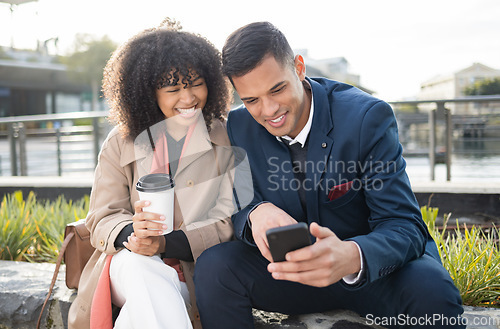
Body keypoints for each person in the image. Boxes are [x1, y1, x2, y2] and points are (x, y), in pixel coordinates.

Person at [194, 21, 465, 329]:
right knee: (215, 268)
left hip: (370, 274)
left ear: (298, 67)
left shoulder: (367, 118)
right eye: (251, 100)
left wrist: (352, 256)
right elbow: (235, 199)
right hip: (288, 276)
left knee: (431, 287)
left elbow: (404, 225)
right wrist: (255, 211)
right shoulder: (237, 126)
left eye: (277, 89)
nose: (268, 110)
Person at [68, 19, 246, 329]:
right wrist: (133, 235)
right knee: (143, 268)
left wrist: (164, 245)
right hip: (126, 264)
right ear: (149, 93)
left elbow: (227, 221)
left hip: (191, 272)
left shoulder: (223, 136)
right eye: (174, 88)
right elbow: (101, 217)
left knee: (152, 293)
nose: (188, 97)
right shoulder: (120, 142)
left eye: (196, 83)